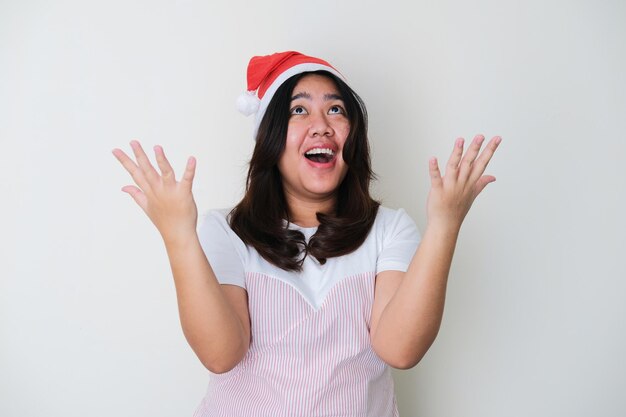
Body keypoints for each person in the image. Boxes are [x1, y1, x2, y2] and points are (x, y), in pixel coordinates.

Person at [112, 51, 501, 417]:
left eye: (336, 109)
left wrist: (446, 224)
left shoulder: (390, 229)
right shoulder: (226, 232)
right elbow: (221, 354)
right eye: (299, 110)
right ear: (271, 137)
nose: (322, 124)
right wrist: (179, 236)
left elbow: (400, 349)